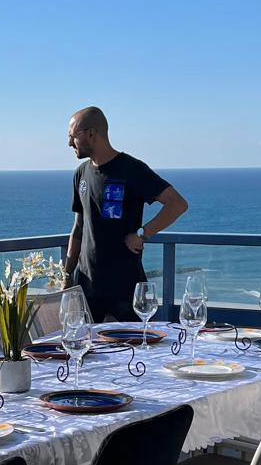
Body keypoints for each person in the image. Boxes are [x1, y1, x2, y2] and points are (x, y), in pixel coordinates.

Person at [64, 107, 188, 321]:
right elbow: (78, 228)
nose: (69, 143)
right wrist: (67, 275)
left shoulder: (131, 170)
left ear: (91, 134)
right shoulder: (81, 174)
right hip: (87, 287)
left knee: (132, 342)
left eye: (72, 136)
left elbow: (177, 204)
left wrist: (142, 233)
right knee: (85, 342)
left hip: (125, 288)